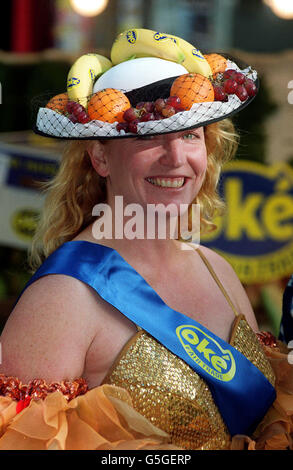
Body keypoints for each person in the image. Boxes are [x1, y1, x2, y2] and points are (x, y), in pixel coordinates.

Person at [0, 29, 292, 451]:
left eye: (190, 135)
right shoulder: (62, 298)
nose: (175, 158)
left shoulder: (218, 270)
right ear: (99, 157)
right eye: (149, 137)